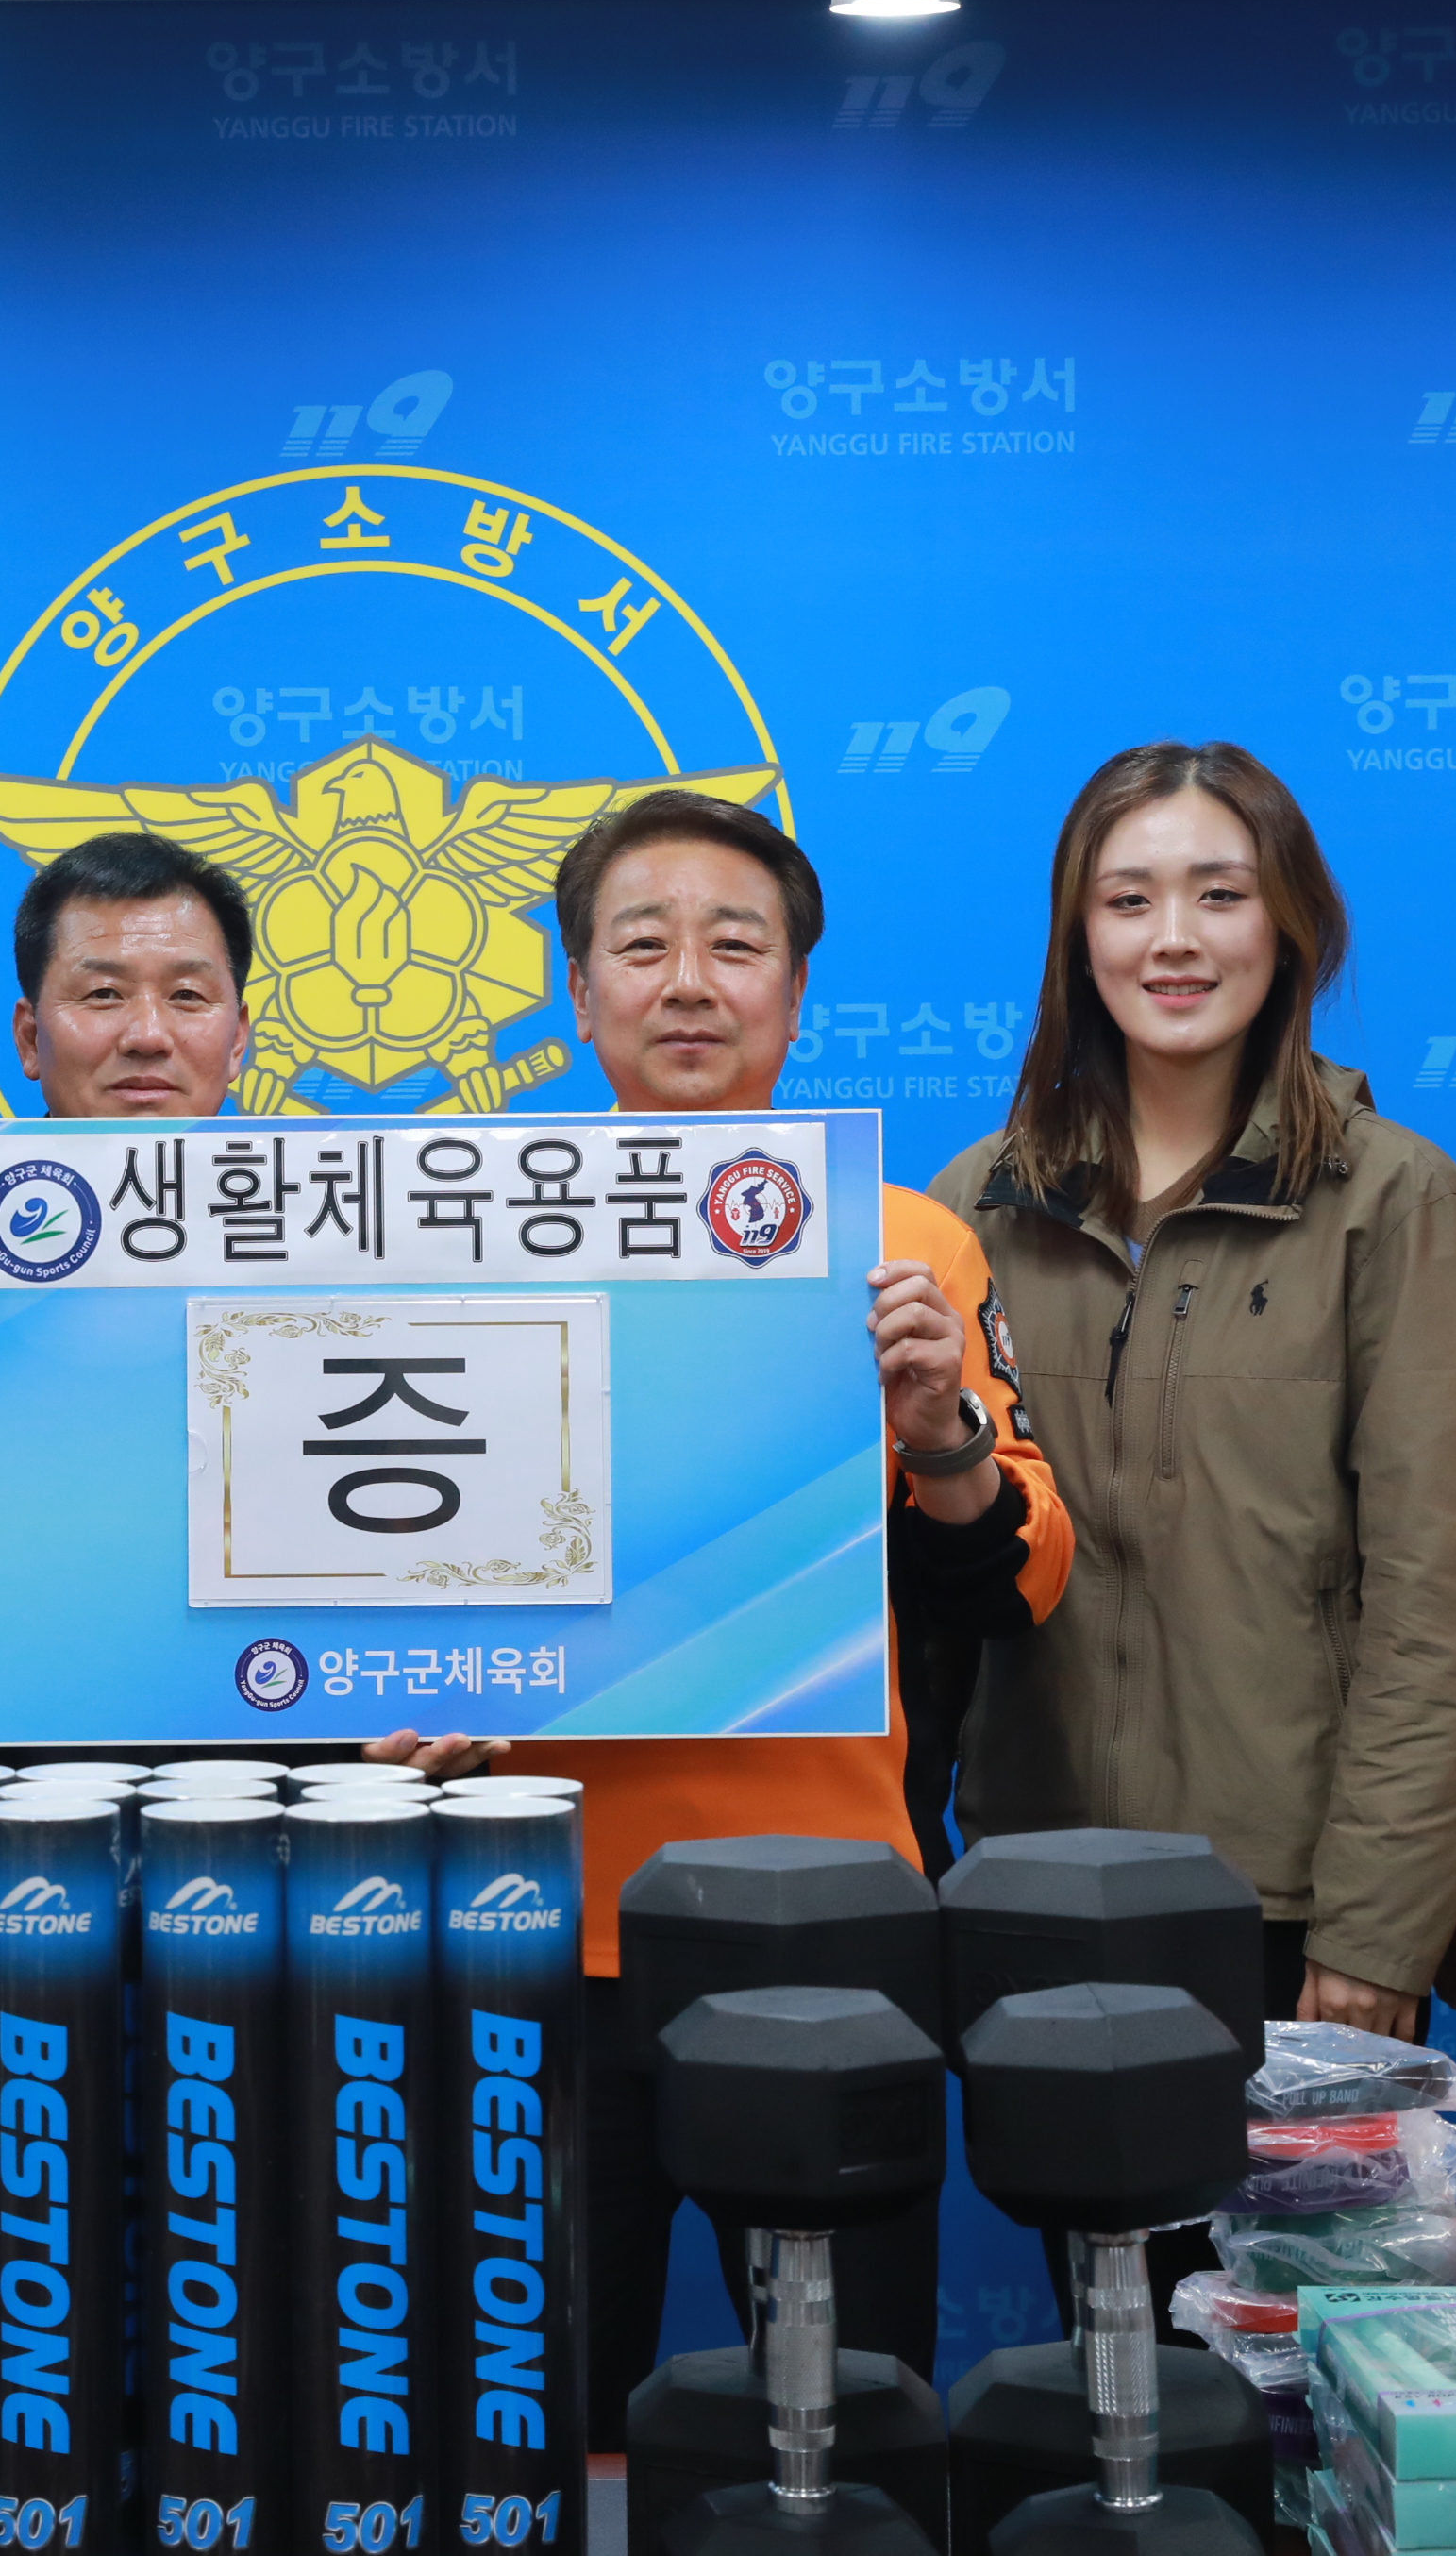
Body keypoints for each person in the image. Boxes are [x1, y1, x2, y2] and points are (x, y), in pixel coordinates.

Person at [507, 790, 1072, 2416]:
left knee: (851, 2420)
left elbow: (1020, 1578)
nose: (688, 981)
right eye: (642, 945)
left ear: (796, 992)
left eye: (734, 945)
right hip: (530, 1914)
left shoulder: (902, 1244)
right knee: (537, 2420)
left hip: (820, 1917)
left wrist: (937, 1426)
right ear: (577, 993)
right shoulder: (459, 1228)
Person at [933, 743, 1456, 2041]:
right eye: (1129, 900)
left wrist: (1377, 1929)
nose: (1174, 939)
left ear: (1290, 925)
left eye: (1221, 894)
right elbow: (934, 1590)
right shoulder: (976, 1205)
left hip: (1286, 1906)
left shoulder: (1395, 1201)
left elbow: (1433, 1602)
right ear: (1078, 937)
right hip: (1030, 1882)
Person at [0, 829, 478, 1772]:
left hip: (299, 1820)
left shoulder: (363, 1282)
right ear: (30, 1037)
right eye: (103, 994)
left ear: (239, 1037)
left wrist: (427, 1714)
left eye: (187, 996)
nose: (148, 1033)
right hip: (6, 1820)